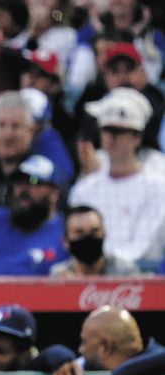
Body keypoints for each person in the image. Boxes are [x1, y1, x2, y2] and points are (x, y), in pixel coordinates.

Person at [69, 89, 165, 268]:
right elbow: (72, 236)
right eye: (106, 130)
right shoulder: (85, 187)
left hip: (139, 275)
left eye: (120, 131)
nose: (112, 138)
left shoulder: (157, 187)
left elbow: (142, 247)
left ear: (137, 137)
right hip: (89, 271)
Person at [49, 205, 140, 277]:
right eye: (79, 232)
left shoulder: (125, 271)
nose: (88, 238)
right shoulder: (59, 276)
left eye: (94, 231)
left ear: (104, 234)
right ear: (65, 241)